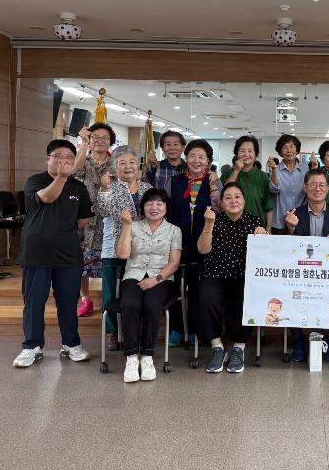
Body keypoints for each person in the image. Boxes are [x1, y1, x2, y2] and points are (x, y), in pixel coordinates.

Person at [13, 139, 94, 368]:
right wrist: (62, 177)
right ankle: (32, 346)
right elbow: (47, 197)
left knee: (68, 301)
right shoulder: (35, 181)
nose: (63, 161)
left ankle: (71, 344)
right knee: (34, 301)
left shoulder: (79, 188)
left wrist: (62, 229)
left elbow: (84, 219)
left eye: (69, 157)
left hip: (68, 255)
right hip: (36, 253)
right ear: (47, 159)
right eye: (58, 156)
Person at [197, 183, 269, 374]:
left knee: (246, 295)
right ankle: (217, 348)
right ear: (221, 203)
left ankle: (239, 347)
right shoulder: (214, 219)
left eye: (237, 196)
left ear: (244, 201)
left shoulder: (254, 221)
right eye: (228, 197)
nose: (233, 201)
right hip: (215, 274)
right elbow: (203, 249)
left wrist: (263, 236)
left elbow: (265, 253)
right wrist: (208, 225)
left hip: (243, 275)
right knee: (206, 296)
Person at [115, 189, 182, 382]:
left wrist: (156, 279)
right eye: (149, 203)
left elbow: (174, 263)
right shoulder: (133, 226)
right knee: (130, 304)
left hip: (162, 278)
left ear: (166, 207)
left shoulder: (174, 230)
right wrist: (126, 226)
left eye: (159, 203)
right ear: (143, 207)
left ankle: (147, 356)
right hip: (133, 275)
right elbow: (122, 254)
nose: (154, 207)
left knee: (152, 304)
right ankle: (131, 357)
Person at [285, 168, 329, 363]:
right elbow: (286, 251)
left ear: (327, 189)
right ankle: (297, 339)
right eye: (313, 184)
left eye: (322, 185)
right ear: (305, 188)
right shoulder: (294, 214)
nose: (317, 188)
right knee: (290, 291)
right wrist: (290, 229)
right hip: (301, 273)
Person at [94, 145, 152, 351]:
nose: (128, 167)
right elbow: (101, 210)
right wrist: (104, 189)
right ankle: (112, 331)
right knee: (111, 292)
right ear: (114, 166)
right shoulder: (109, 187)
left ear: (138, 165)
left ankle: (137, 329)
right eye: (122, 163)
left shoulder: (147, 188)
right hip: (114, 248)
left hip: (142, 249)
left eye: (132, 162)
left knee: (137, 291)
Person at [167, 139, 223, 347]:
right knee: (174, 287)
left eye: (202, 157)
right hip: (177, 243)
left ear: (208, 161)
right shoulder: (173, 181)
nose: (197, 160)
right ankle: (175, 328)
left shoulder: (214, 182)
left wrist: (214, 186)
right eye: (193, 156)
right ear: (186, 157)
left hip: (204, 244)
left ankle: (194, 329)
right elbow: (165, 210)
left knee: (198, 290)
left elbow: (220, 210)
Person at [73, 122, 116, 318]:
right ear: (89, 141)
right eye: (95, 137)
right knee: (81, 264)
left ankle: (109, 301)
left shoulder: (115, 163)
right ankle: (86, 299)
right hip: (84, 220)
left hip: (108, 220)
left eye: (104, 138)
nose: (100, 141)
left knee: (107, 263)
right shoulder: (84, 159)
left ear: (110, 142)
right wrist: (82, 143)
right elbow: (74, 171)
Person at [221, 135, 274, 232]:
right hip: (230, 226)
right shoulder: (228, 173)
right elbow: (225, 192)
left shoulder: (263, 176)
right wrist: (236, 171)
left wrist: (269, 228)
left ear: (256, 154)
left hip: (258, 228)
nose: (246, 154)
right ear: (237, 153)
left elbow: (268, 206)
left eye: (250, 151)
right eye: (242, 151)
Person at [268, 134, 308, 235]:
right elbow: (273, 189)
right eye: (285, 147)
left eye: (292, 147)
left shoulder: (305, 170)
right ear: (280, 151)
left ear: (297, 150)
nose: (289, 150)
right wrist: (274, 172)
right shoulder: (275, 169)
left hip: (301, 220)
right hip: (280, 221)